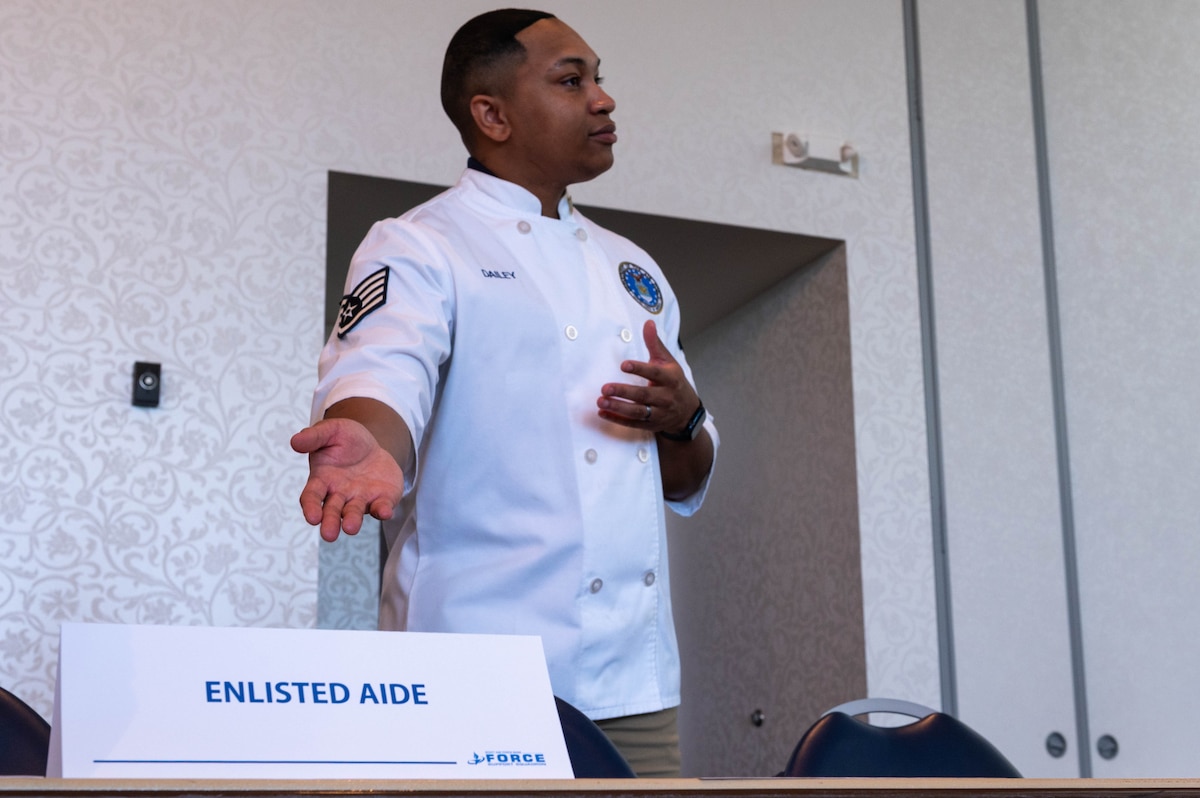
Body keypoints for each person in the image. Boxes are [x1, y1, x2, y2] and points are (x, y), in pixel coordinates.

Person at [290, 8, 717, 777]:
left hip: (635, 677)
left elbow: (684, 478)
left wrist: (685, 419)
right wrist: (368, 439)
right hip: (472, 672)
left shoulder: (636, 270)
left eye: (599, 78)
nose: (603, 99)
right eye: (570, 79)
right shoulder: (421, 243)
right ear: (491, 115)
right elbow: (383, 371)